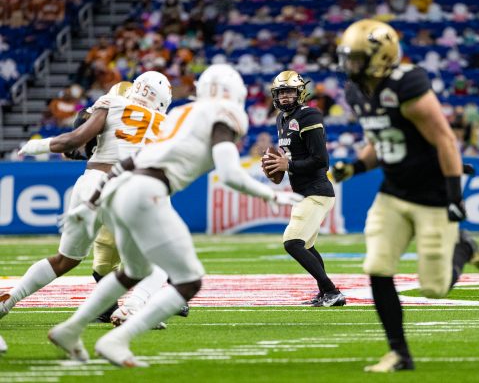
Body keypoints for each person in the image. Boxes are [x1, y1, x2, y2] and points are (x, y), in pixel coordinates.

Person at [48, 64, 303, 367]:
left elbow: (129, 160)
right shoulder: (225, 114)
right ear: (235, 92)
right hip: (149, 192)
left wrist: (90, 201)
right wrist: (272, 195)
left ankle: (71, 328)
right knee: (188, 280)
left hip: (122, 188)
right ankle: (117, 339)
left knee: (132, 271)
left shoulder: (178, 114)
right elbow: (230, 174)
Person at [333, 19, 479, 373]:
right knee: (377, 266)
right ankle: (399, 353)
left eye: (357, 58)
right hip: (392, 193)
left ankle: (463, 247)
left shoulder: (408, 84)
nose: (350, 66)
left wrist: (454, 196)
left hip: (432, 196)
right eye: (348, 58)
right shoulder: (357, 91)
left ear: (382, 57)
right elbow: (381, 139)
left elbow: (444, 139)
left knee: (435, 288)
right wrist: (355, 167)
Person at [0, 74, 171, 322]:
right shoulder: (165, 123)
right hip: (129, 189)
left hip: (90, 184)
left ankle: (9, 300)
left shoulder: (112, 102)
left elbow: (75, 140)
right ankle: (132, 307)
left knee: (64, 260)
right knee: (163, 258)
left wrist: (37, 147)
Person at [264, 70, 345, 308]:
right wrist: (278, 167)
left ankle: (332, 291)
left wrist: (287, 164)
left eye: (290, 91)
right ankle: (325, 292)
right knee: (307, 245)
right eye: (281, 92)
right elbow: (292, 158)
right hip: (304, 192)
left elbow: (321, 160)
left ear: (300, 93)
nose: (286, 97)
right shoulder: (281, 119)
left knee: (292, 243)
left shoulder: (309, 115)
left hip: (317, 191)